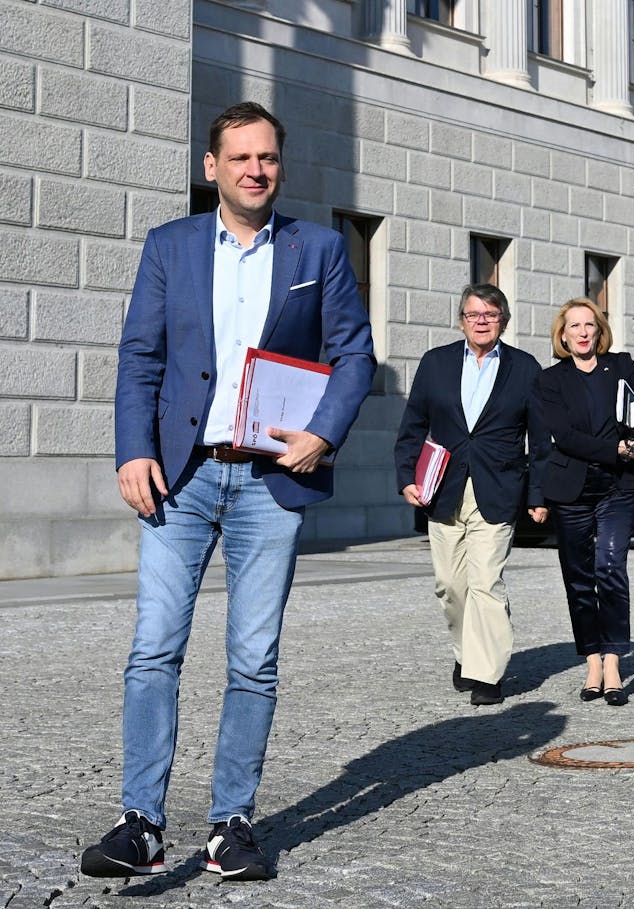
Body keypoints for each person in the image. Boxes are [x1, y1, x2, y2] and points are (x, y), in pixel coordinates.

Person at [85, 102, 375, 881]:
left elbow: (355, 354)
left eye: (269, 158)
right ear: (211, 166)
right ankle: (141, 820)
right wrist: (132, 451)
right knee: (154, 649)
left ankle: (231, 823)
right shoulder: (170, 247)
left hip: (271, 480)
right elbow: (139, 357)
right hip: (180, 476)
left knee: (253, 658)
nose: (256, 169)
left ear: (281, 166)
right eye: (241, 157)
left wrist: (324, 431)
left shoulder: (319, 248)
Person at [394, 283, 549, 707]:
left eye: (490, 314)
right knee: (450, 586)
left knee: (486, 582)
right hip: (441, 489)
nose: (481, 321)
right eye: (473, 314)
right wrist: (406, 475)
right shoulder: (435, 363)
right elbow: (413, 425)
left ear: (503, 320)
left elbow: (540, 440)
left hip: (497, 490)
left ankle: (488, 674)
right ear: (461, 320)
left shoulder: (525, 368)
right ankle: (466, 655)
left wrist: (537, 494)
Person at [537, 298, 634, 707]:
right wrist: (616, 447)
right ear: (562, 335)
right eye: (575, 326)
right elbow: (563, 436)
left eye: (590, 325)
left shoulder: (621, 367)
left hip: (619, 487)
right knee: (579, 577)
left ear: (600, 331)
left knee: (611, 565)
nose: (583, 332)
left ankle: (614, 660)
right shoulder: (550, 380)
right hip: (572, 490)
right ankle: (592, 661)